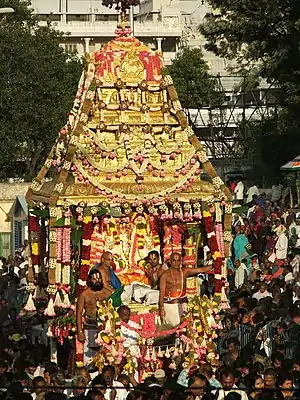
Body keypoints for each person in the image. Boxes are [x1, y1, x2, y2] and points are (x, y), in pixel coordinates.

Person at [159, 253, 213, 327]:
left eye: (178, 260)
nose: (176, 263)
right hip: (170, 305)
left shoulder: (185, 271)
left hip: (183, 304)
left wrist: (217, 263)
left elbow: (202, 269)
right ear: (170, 262)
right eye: (174, 260)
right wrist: (161, 308)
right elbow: (162, 293)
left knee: (185, 328)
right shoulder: (164, 275)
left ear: (181, 262)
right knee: (174, 329)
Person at [76, 270, 112, 363]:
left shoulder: (108, 293)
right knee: (89, 358)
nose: (97, 280)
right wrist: (80, 331)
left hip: (106, 329)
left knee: (106, 356)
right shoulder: (84, 294)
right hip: (90, 327)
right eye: (94, 279)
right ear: (89, 280)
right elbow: (79, 313)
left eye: (99, 278)